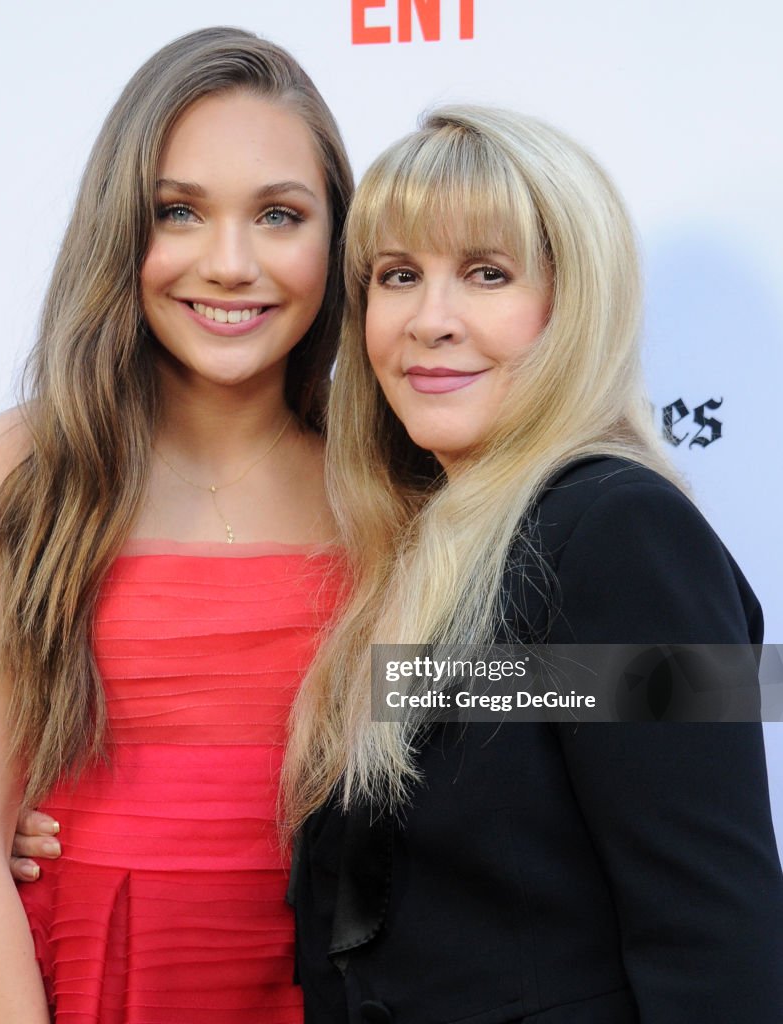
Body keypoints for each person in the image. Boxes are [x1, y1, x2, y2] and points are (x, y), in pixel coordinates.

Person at [280, 106, 783, 1023]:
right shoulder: (423, 553)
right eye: (398, 276)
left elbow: (715, 941)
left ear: (573, 302)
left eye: (486, 274)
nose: (430, 321)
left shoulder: (625, 536)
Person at [0, 27, 352, 1024]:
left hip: (321, 987)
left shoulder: (385, 483)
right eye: (179, 212)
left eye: (279, 214)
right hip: (69, 987)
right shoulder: (28, 467)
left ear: (338, 237)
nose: (230, 263)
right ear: (121, 228)